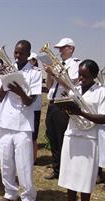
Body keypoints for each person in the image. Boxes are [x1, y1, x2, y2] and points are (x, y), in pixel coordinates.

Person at [0, 40, 41, 201]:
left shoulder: (35, 73)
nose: (17, 56)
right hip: (5, 120)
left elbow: (30, 101)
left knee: (23, 163)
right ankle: (10, 192)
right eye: (16, 52)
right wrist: (5, 83)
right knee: (5, 161)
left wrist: (19, 91)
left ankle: (28, 198)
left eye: (21, 53)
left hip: (23, 123)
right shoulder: (7, 69)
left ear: (28, 54)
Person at [57, 59, 105, 201]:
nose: (81, 79)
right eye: (80, 75)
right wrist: (64, 104)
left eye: (85, 76)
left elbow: (103, 117)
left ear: (94, 76)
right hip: (72, 135)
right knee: (70, 174)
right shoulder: (74, 89)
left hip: (89, 139)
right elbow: (69, 114)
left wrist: (81, 112)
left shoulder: (101, 92)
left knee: (85, 177)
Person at [44, 38, 81, 180]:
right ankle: (57, 169)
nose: (59, 51)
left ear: (71, 48)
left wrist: (54, 73)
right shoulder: (58, 64)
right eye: (59, 48)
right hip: (52, 103)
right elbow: (48, 86)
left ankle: (66, 170)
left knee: (62, 138)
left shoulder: (75, 64)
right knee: (52, 136)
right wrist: (49, 72)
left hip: (63, 103)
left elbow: (69, 84)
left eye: (62, 48)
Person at [28, 52, 42, 163]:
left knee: (33, 136)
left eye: (31, 60)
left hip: (35, 107)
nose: (29, 62)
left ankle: (33, 158)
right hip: (26, 107)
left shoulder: (37, 72)